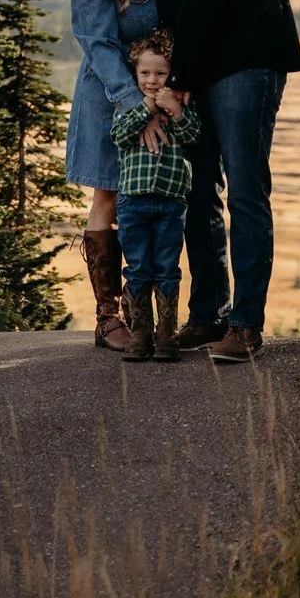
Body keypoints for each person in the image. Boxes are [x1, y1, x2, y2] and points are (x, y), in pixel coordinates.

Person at [128, 0, 300, 364]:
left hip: (242, 66)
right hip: (200, 73)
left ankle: (246, 325)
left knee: (246, 190)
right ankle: (208, 315)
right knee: (198, 191)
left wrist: (177, 80)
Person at [61, 0, 162, 352]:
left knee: (154, 200)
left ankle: (146, 315)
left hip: (159, 97)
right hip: (111, 99)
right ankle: (109, 318)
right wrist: (137, 108)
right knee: (111, 199)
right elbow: (99, 46)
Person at [111, 31, 201, 364]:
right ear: (135, 74)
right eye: (145, 73)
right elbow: (119, 136)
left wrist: (175, 111)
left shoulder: (180, 105)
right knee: (137, 268)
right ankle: (140, 334)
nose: (152, 80)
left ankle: (166, 334)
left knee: (167, 267)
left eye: (160, 73)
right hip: (133, 201)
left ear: (171, 74)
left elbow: (194, 137)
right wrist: (145, 108)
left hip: (170, 202)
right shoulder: (128, 106)